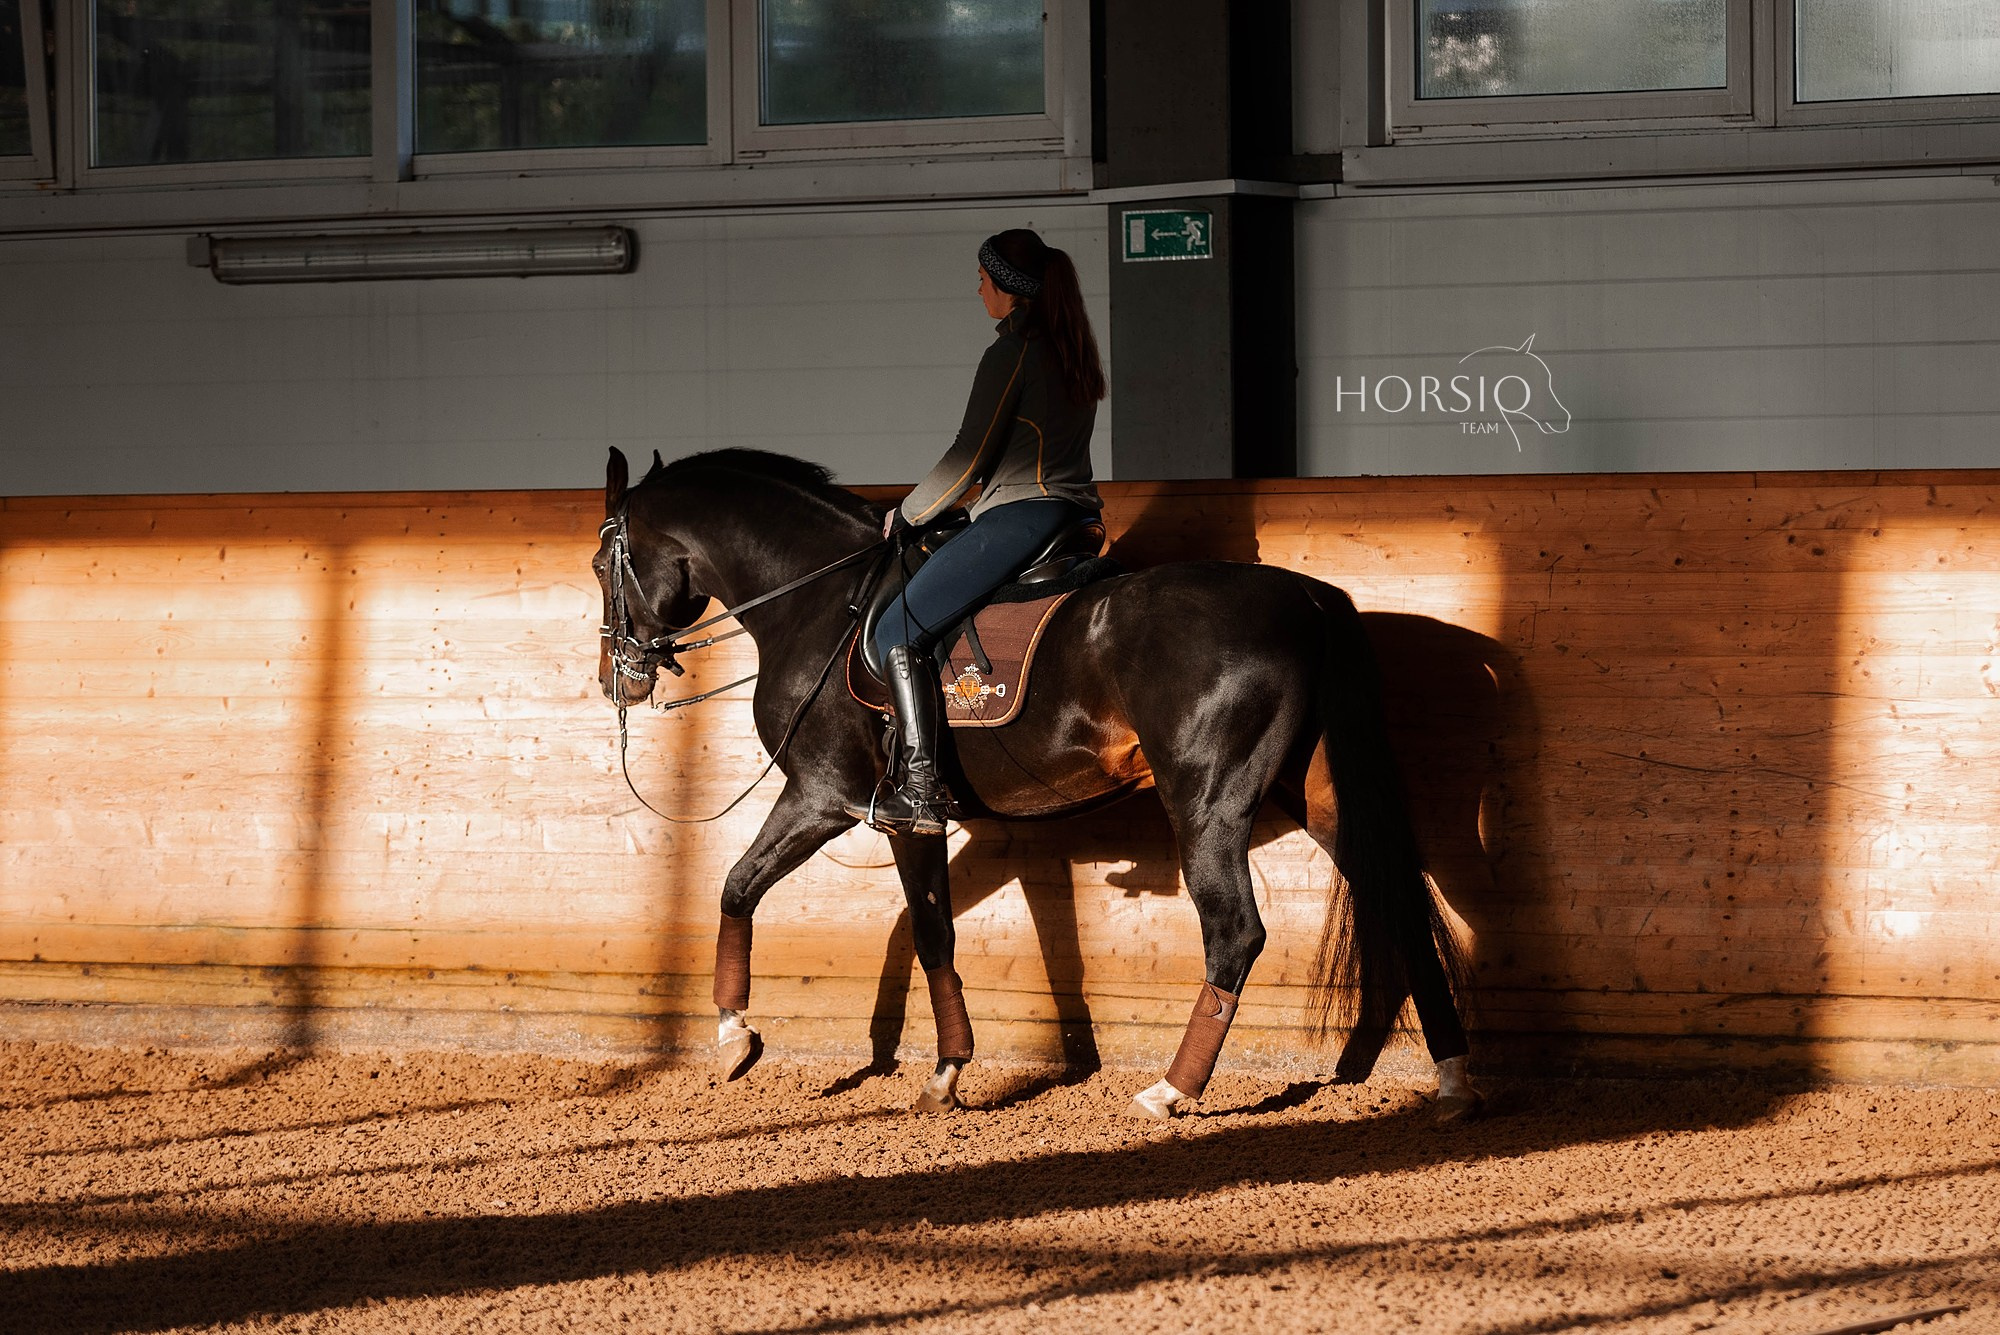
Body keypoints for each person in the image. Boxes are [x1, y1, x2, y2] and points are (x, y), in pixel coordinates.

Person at [846, 228, 1106, 836]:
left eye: (983, 278)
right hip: (1075, 514)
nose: (978, 288)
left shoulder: (1013, 352)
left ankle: (920, 790)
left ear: (1007, 289)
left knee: (896, 628)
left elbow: (968, 457)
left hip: (1025, 512)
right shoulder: (1071, 347)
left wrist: (908, 514)